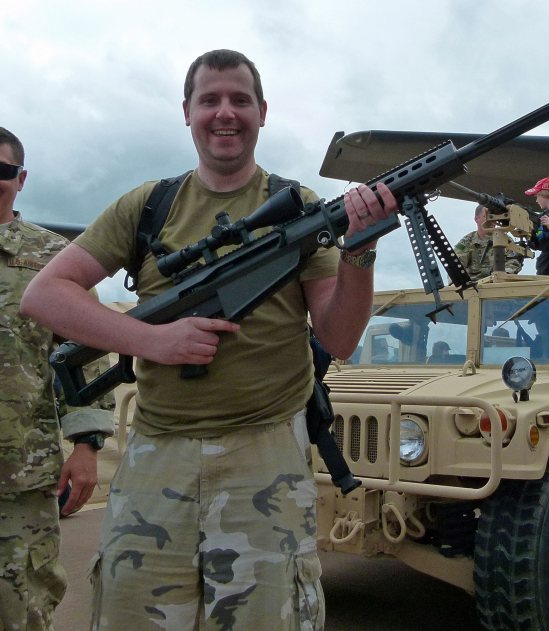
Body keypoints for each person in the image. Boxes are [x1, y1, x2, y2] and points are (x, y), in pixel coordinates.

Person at [20, 50, 399, 630]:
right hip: (157, 452)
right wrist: (154, 342)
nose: (226, 114)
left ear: (263, 112)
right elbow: (45, 295)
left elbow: (340, 337)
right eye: (211, 100)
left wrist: (362, 252)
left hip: (264, 452)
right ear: (188, 112)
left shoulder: (297, 209)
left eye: (240, 100)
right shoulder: (148, 206)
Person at [0, 127, 114, 630]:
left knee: (21, 608)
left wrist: (87, 445)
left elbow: (86, 355)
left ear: (21, 179)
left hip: (17, 481)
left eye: (2, 171)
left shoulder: (52, 259)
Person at [453, 204, 523, 280]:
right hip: (474, 285)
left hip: (499, 283)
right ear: (477, 219)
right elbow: (456, 263)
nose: (492, 221)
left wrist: (503, 275)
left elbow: (514, 261)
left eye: (494, 216)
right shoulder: (468, 240)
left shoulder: (505, 239)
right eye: (487, 216)